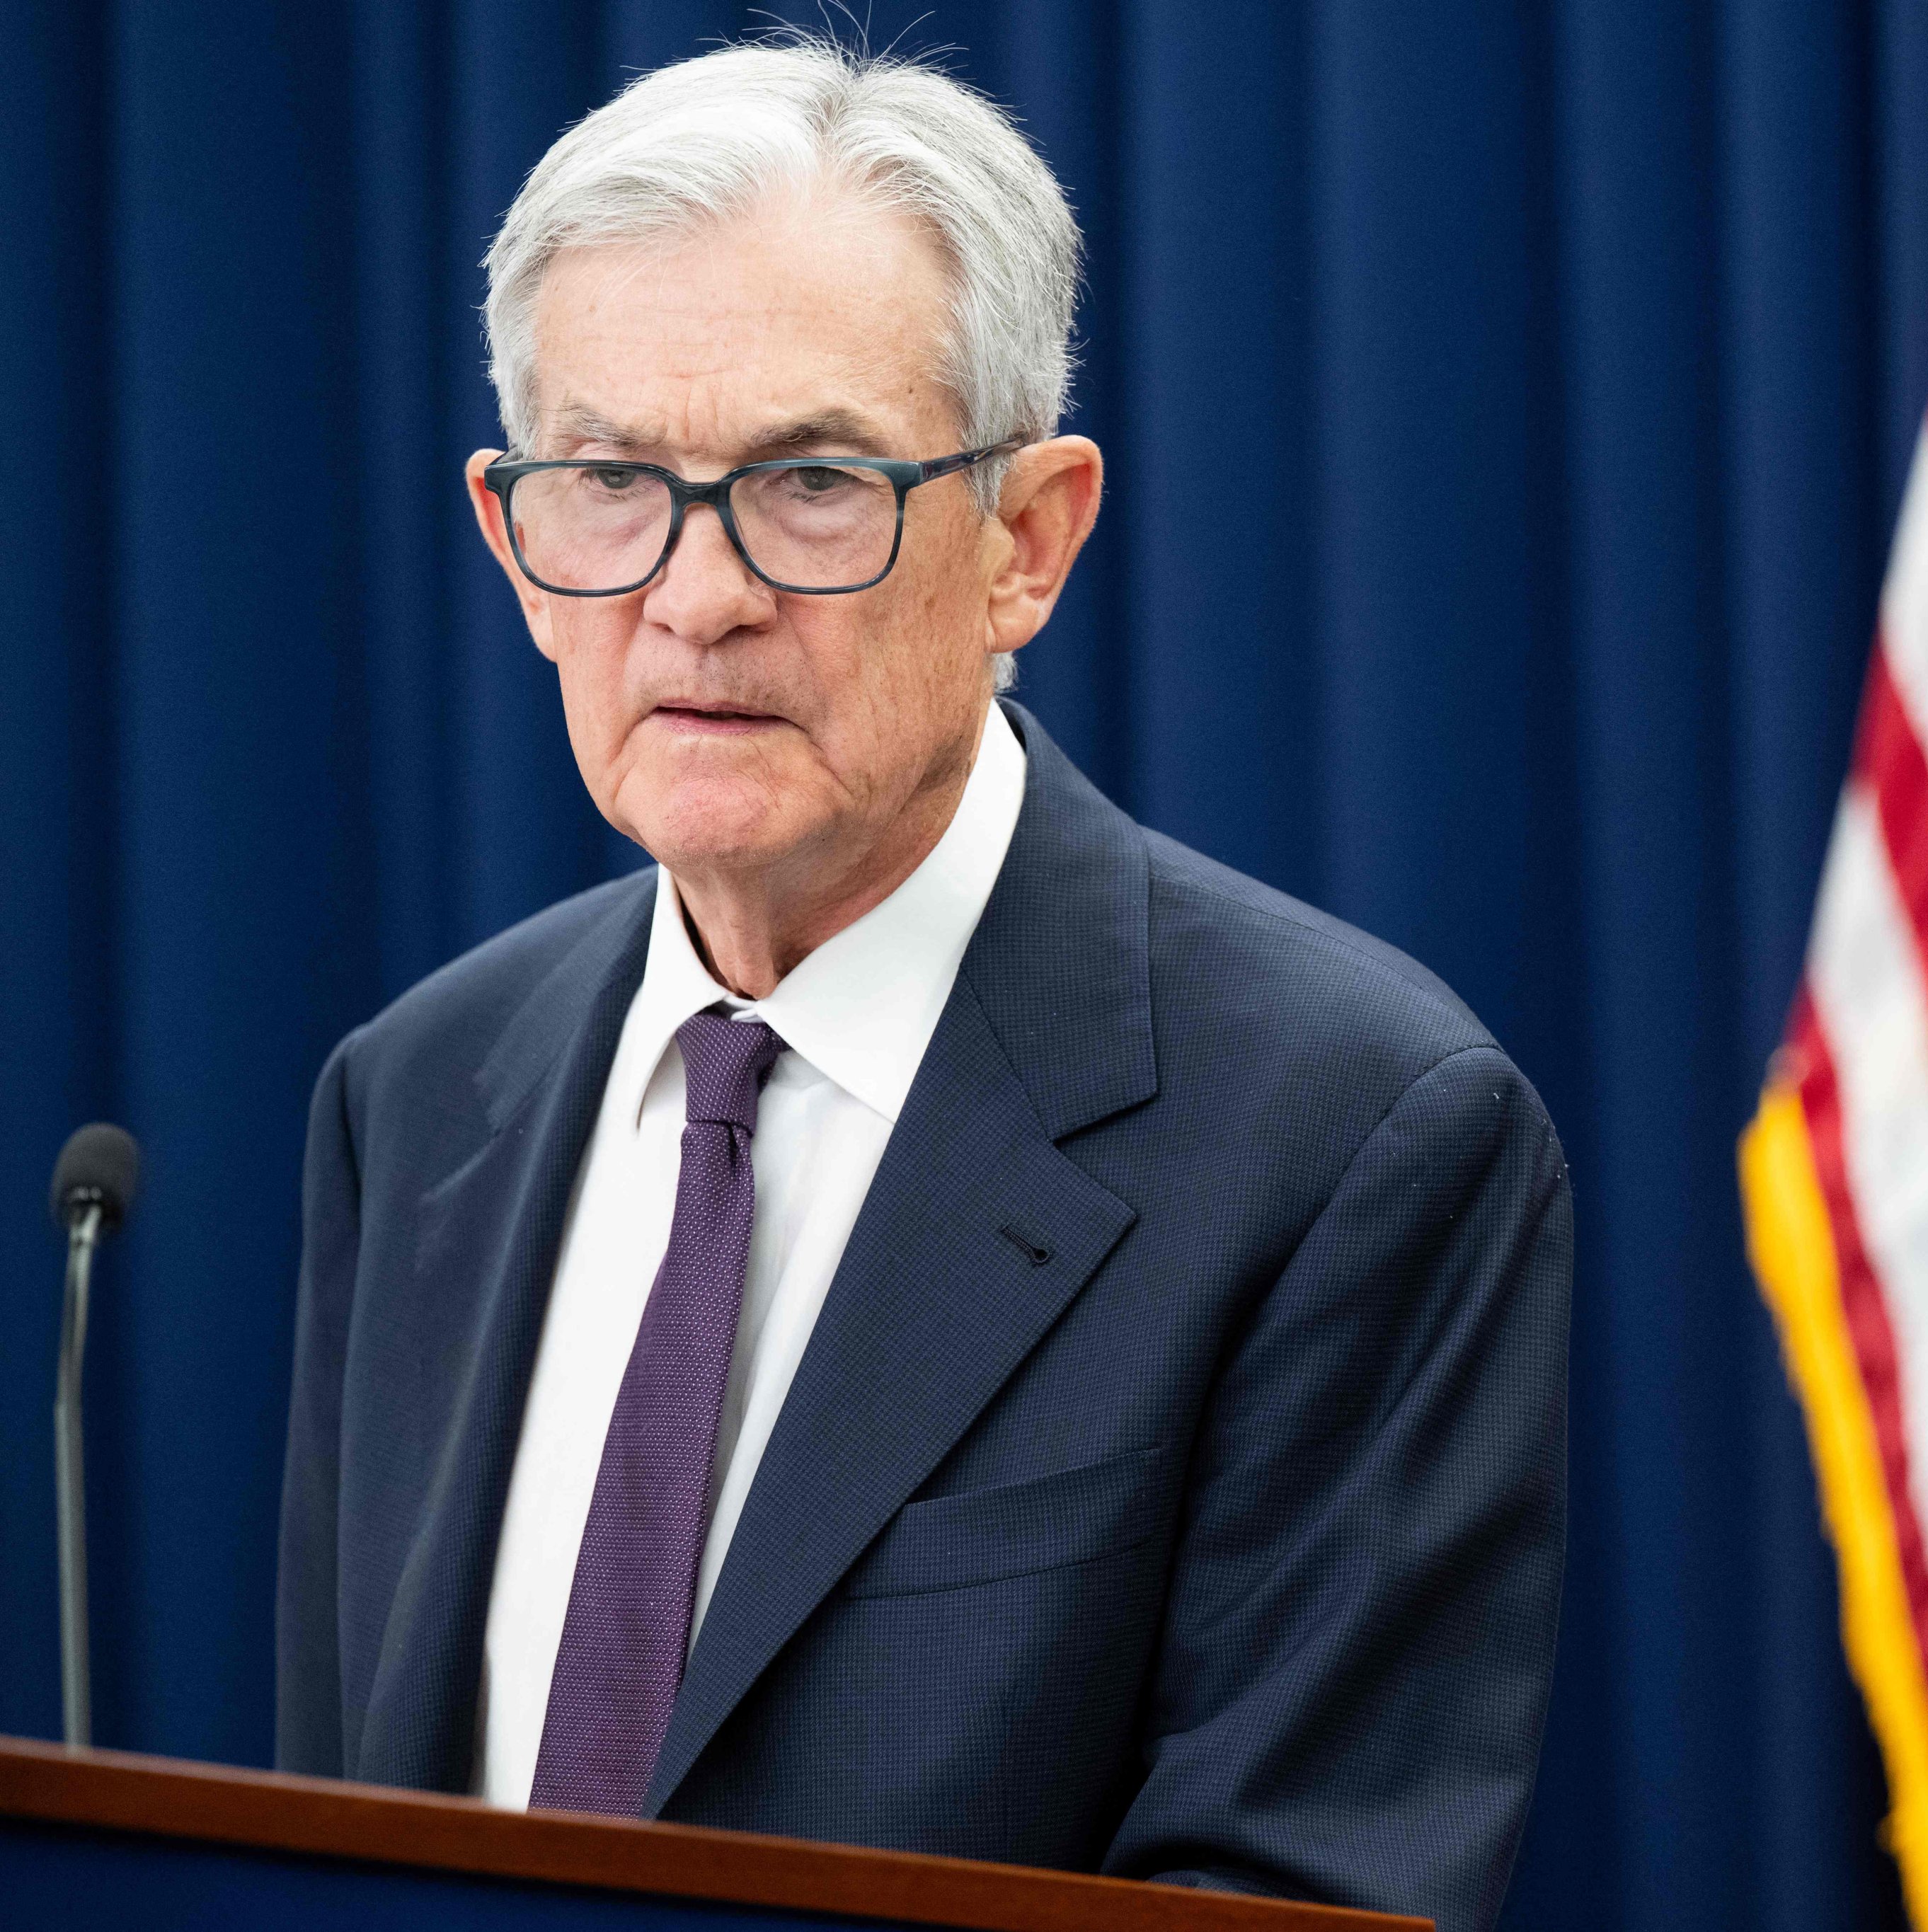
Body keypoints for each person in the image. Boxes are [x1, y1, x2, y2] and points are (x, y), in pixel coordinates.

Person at [274, 38, 1569, 1932]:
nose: (692, 593)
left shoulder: (1355, 1137)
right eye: (613, 482)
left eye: (808, 482)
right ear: (517, 541)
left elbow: (1297, 1894)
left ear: (1024, 541)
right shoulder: (416, 1098)